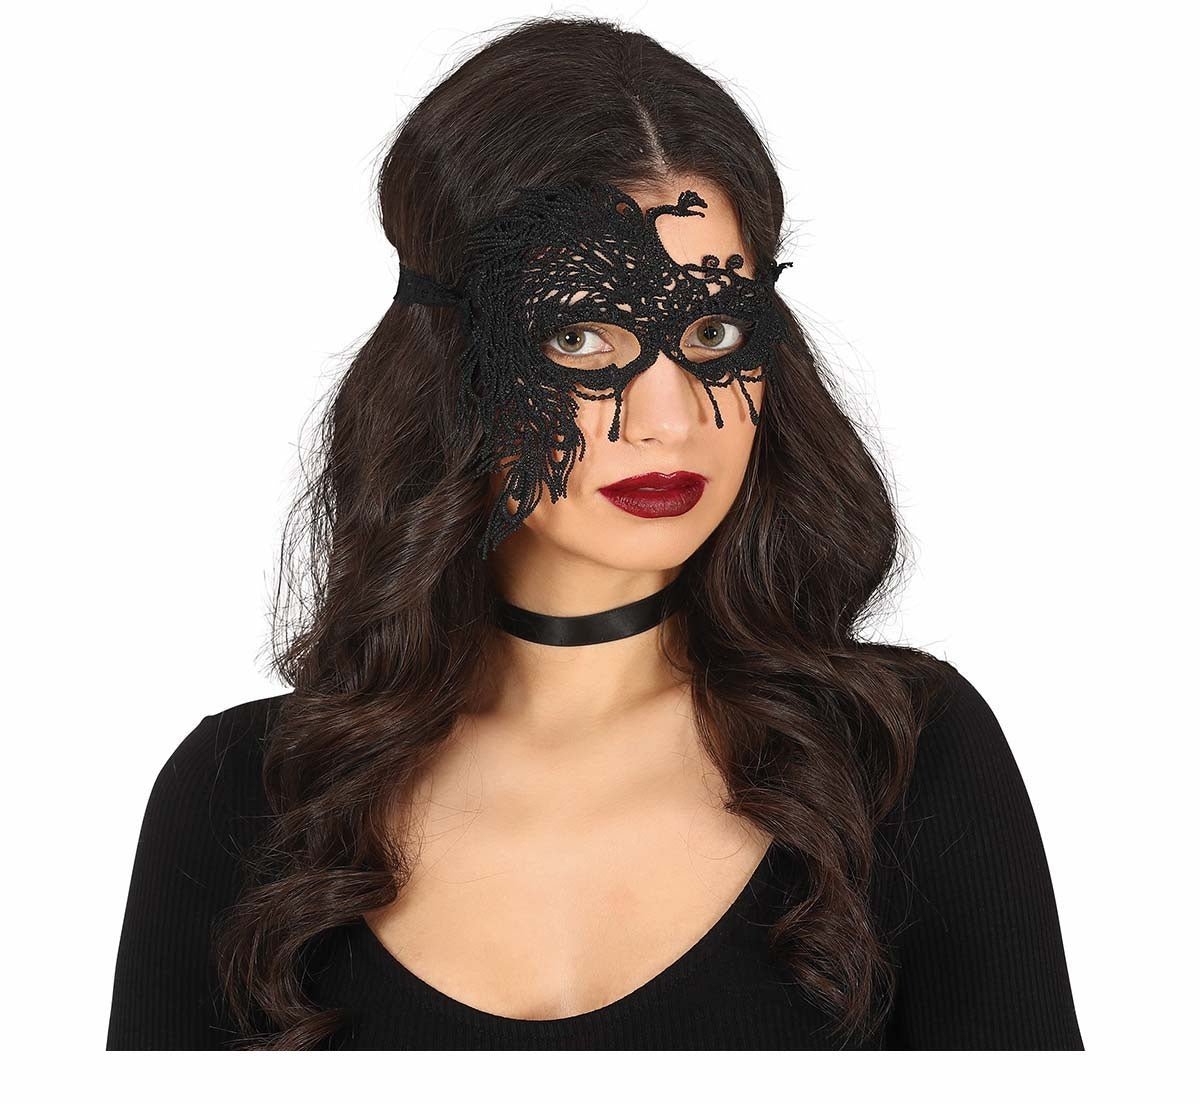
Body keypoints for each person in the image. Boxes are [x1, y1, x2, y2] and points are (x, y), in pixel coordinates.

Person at [106, 15, 1084, 1051]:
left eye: (713, 332)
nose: (672, 418)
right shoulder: (238, 796)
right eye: (581, 338)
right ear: (452, 365)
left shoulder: (901, 755)